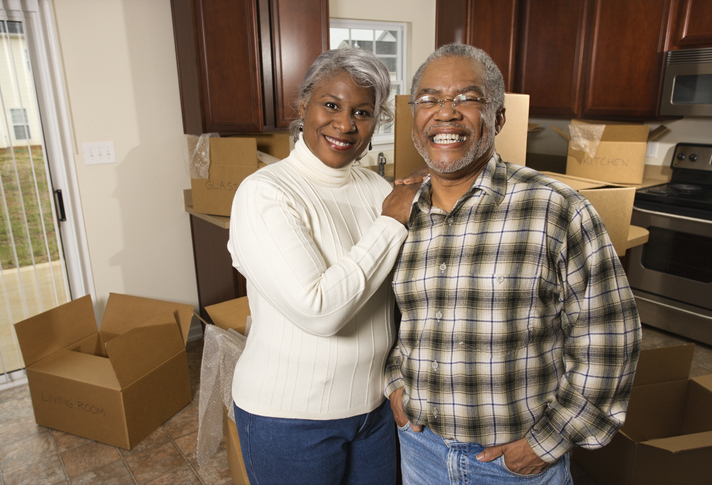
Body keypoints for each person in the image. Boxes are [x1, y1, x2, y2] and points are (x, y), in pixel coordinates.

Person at [385, 43, 642, 484]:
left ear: (498, 117)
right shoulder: (398, 212)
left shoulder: (556, 209)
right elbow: (397, 318)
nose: (445, 113)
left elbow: (610, 338)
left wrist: (547, 443)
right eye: (429, 100)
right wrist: (395, 385)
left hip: (512, 466)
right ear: (415, 118)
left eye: (467, 98)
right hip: (420, 449)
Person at [227, 47, 417, 485]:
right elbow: (320, 309)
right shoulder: (265, 193)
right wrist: (390, 221)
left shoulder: (375, 187)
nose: (345, 124)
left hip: (374, 410)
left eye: (363, 112)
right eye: (331, 105)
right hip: (289, 419)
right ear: (303, 106)